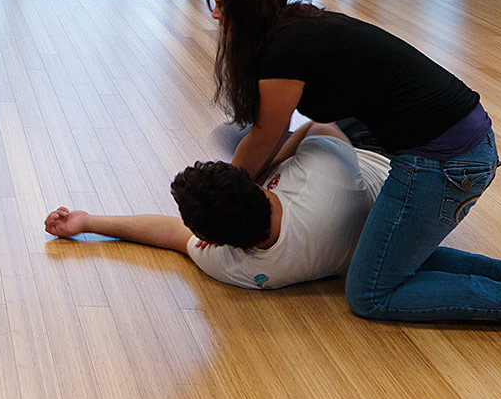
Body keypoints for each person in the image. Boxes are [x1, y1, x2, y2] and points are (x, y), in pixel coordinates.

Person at [205, 0, 501, 336]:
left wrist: (226, 203)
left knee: (370, 292)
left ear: (246, 7)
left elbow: (265, 134)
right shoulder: (295, 29)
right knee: (379, 256)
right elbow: (276, 135)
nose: (215, 14)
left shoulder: (283, 52)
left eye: (221, 4)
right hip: (452, 142)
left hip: (446, 161)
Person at [43, 122, 391, 290]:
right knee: (242, 134)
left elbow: (171, 234)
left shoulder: (236, 267)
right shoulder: (324, 177)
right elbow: (321, 125)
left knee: (235, 134)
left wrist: (88, 222)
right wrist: (271, 159)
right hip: (371, 156)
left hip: (355, 176)